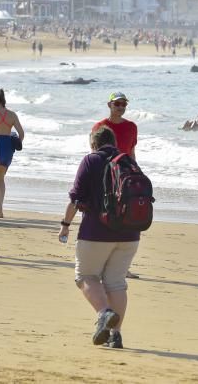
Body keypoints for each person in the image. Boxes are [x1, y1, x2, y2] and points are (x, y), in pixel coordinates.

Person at [57, 126, 141, 349]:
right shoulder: (129, 162)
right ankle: (116, 335)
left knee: (85, 276)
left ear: (93, 143)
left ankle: (104, 313)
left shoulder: (90, 160)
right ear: (113, 142)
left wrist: (65, 225)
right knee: (116, 283)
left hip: (97, 231)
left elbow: (76, 198)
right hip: (131, 233)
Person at [91, 91, 139, 279]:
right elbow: (94, 154)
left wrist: (136, 173)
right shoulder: (100, 126)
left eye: (123, 104)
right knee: (103, 220)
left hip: (125, 177)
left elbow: (132, 152)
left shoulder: (132, 127)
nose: (121, 107)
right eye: (117, 104)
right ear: (109, 105)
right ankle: (100, 264)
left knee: (124, 221)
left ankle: (121, 267)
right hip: (105, 178)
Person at [0, 89, 24, 218]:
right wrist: (16, 144)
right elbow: (21, 133)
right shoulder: (12, 115)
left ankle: (0, 211)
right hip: (8, 147)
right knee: (1, 178)